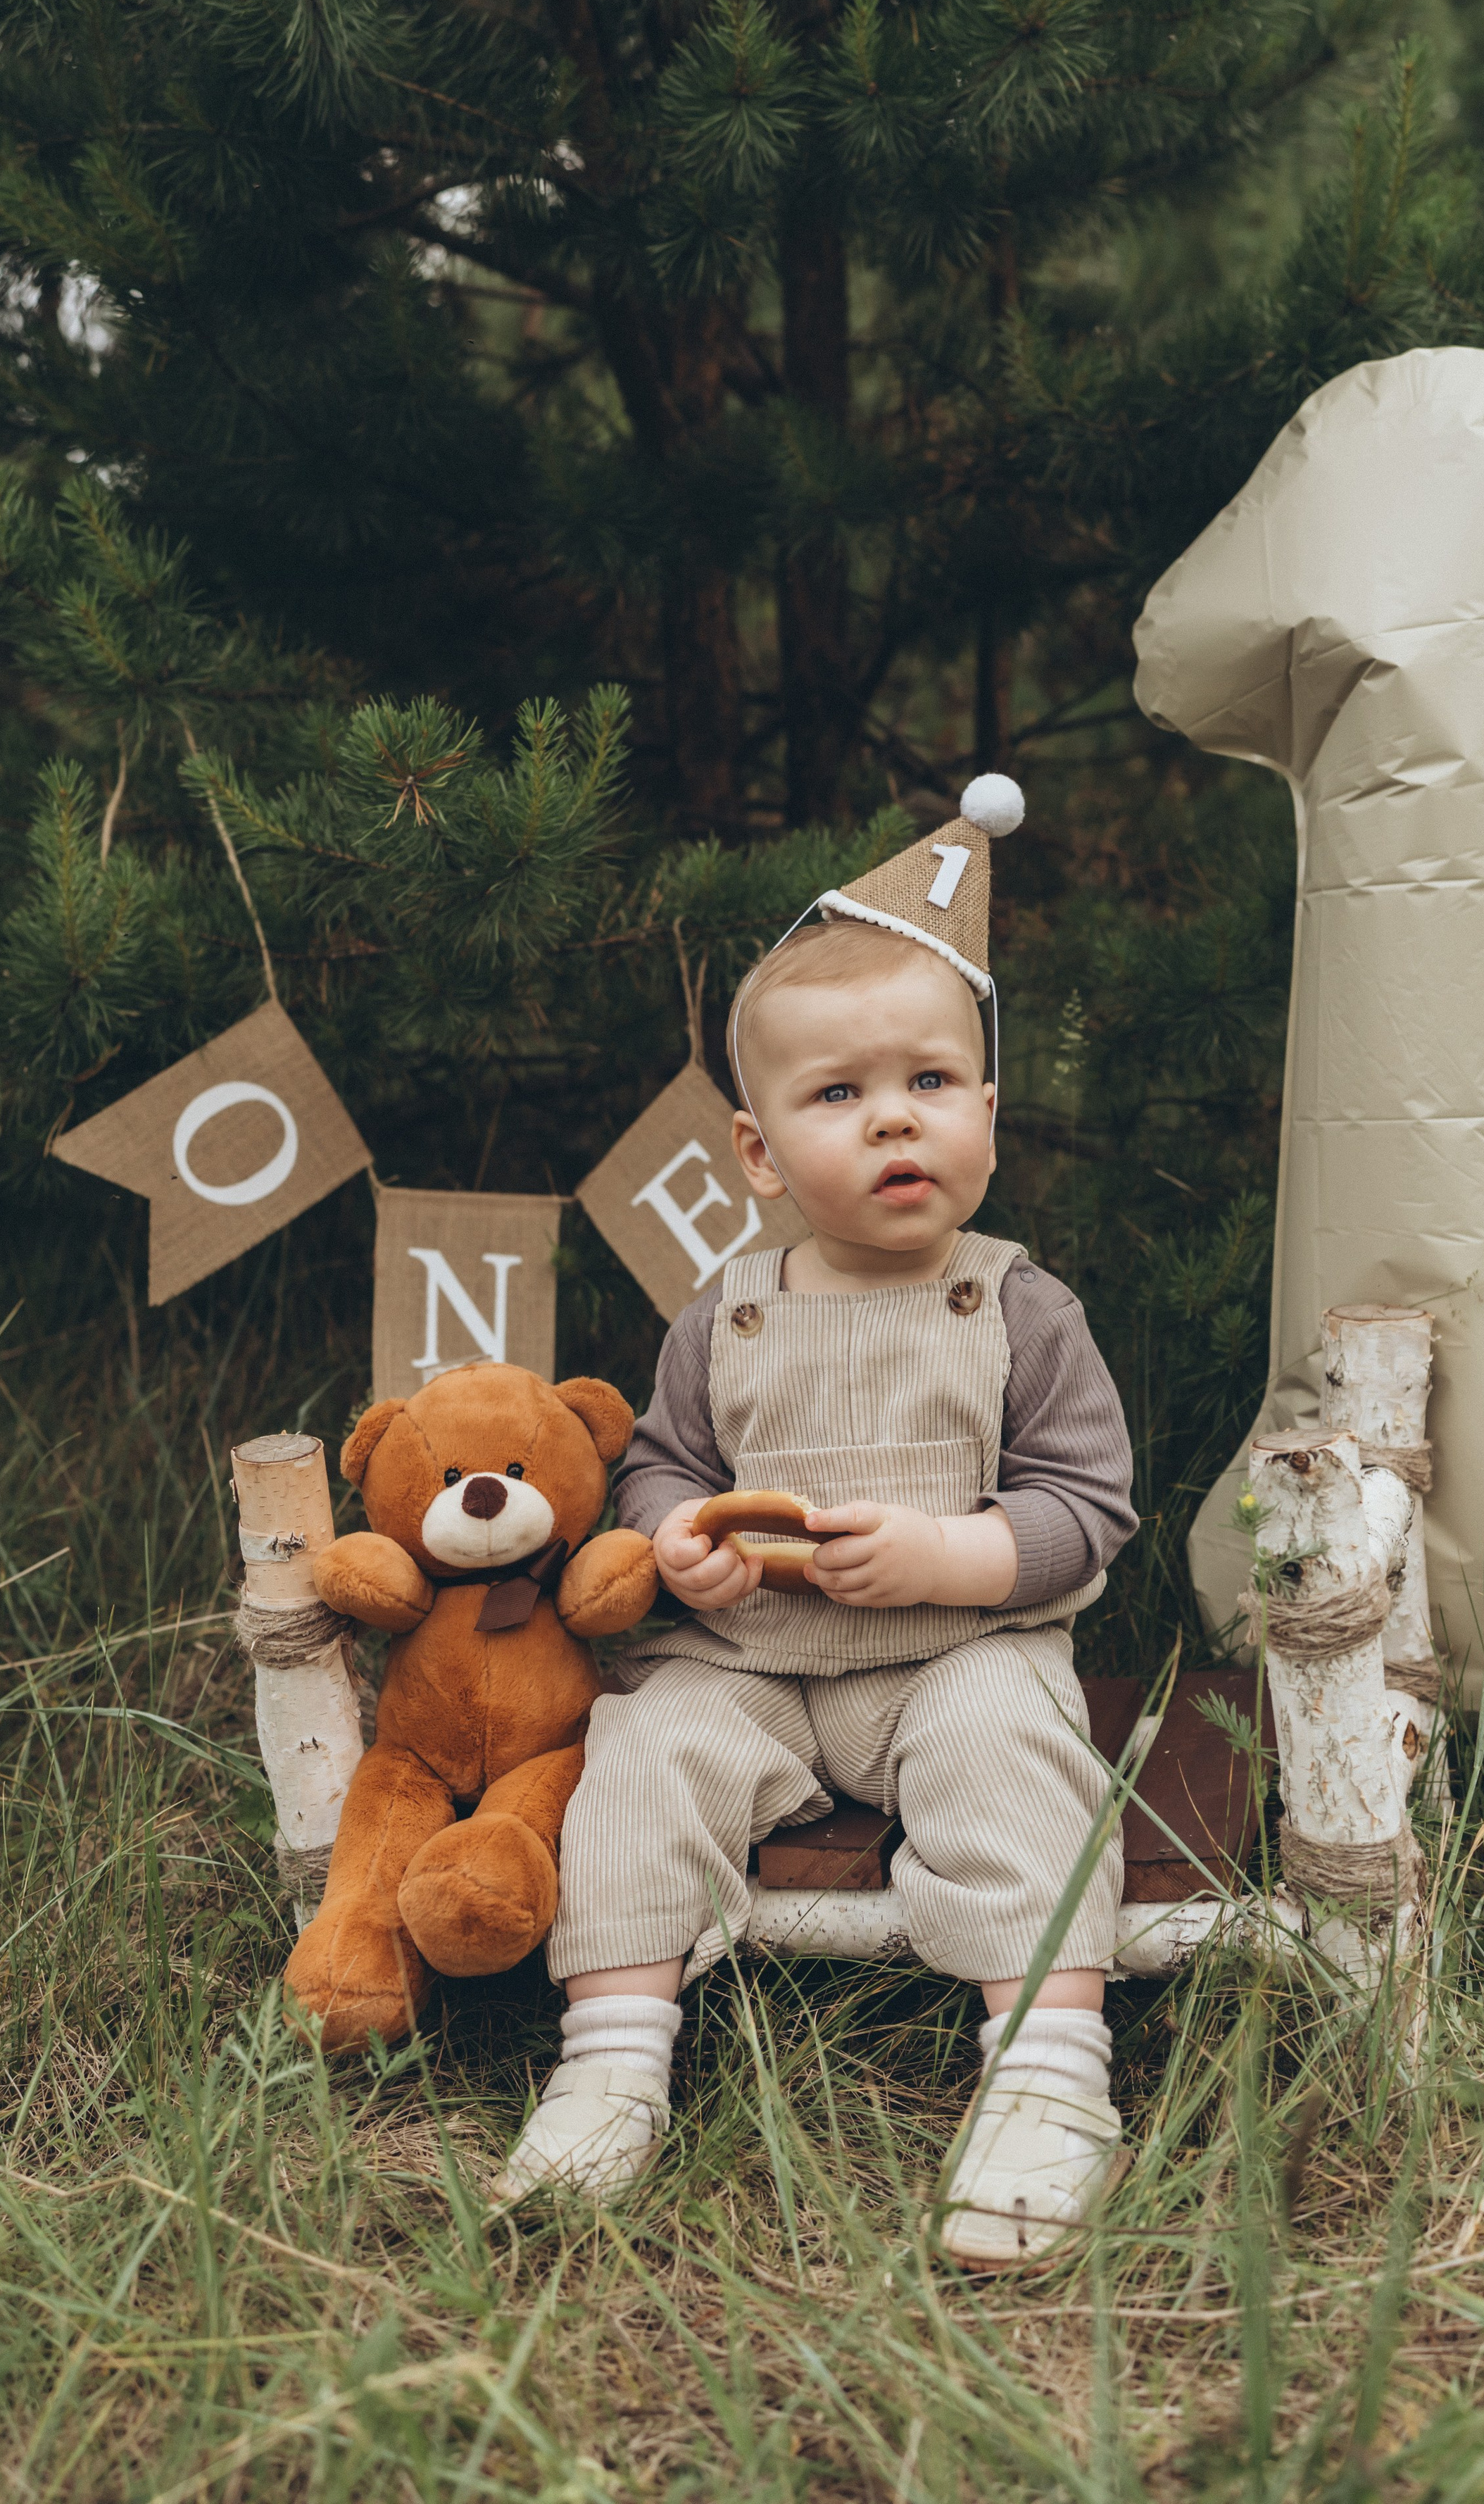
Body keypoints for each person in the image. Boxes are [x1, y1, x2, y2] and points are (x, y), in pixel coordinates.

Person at [493, 782, 1138, 2267]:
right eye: (838, 1095)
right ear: (759, 1151)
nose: (894, 1116)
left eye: (930, 1081)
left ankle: (1046, 2079)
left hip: (956, 1651)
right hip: (751, 1663)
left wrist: (948, 1557)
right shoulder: (726, 1313)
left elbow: (1085, 1504)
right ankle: (609, 2065)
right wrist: (679, 1542)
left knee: (1018, 1751)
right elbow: (663, 1467)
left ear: (987, 1116)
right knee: (641, 1753)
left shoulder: (1020, 1308)